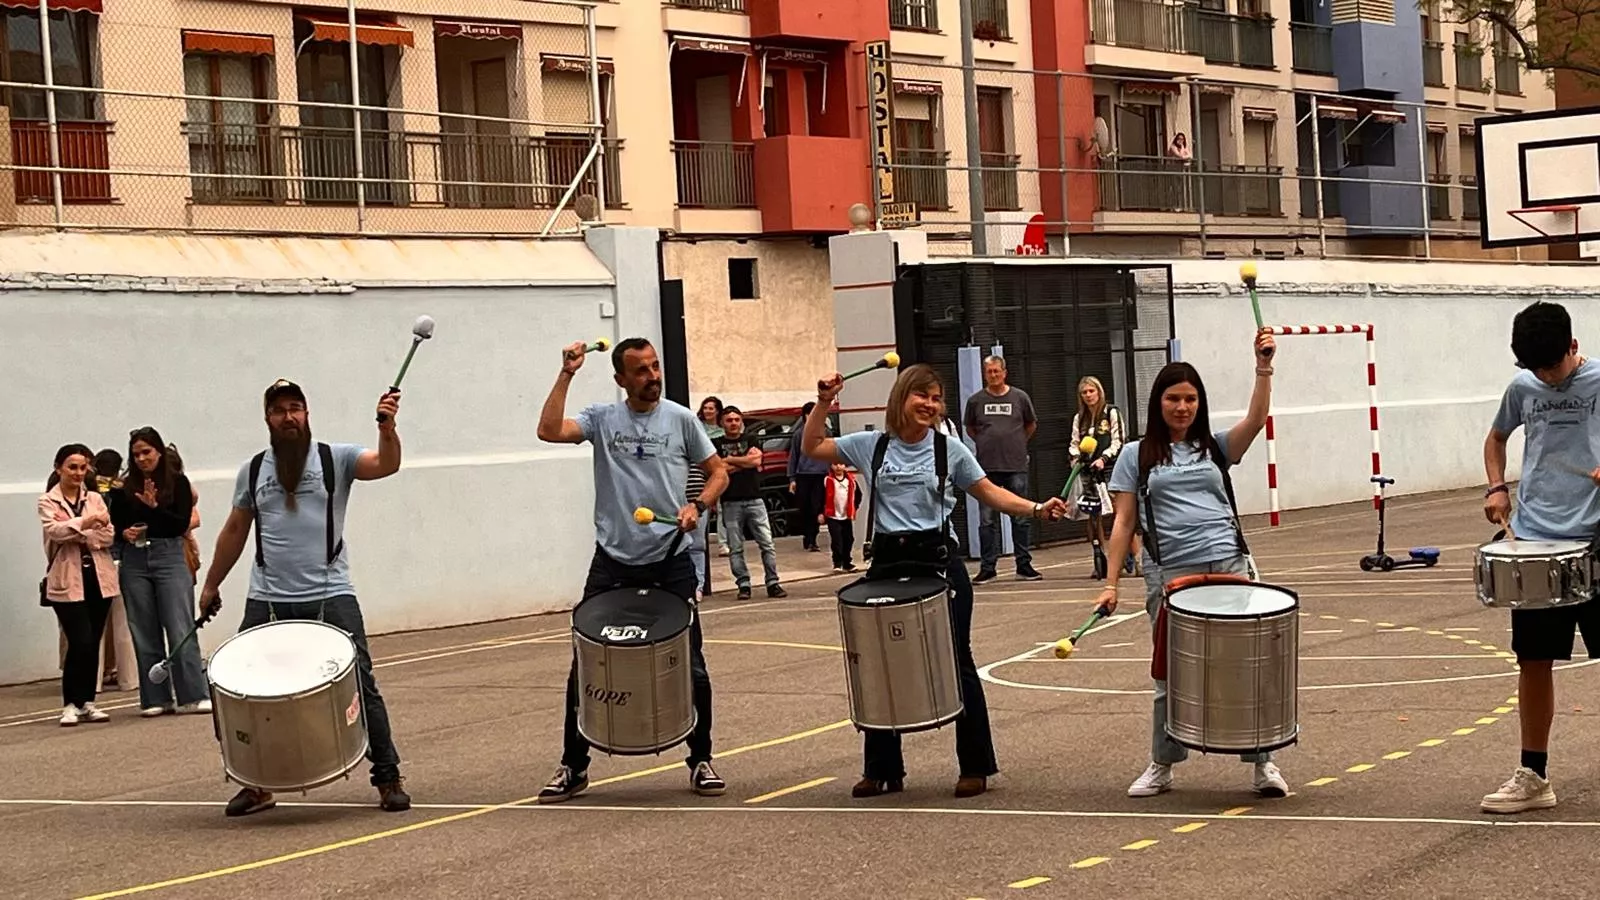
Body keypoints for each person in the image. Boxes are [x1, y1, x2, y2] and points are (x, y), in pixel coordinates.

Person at [803, 363, 1068, 798]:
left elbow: (989, 492)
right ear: (901, 398)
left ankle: (975, 765)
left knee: (957, 660)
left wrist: (1037, 508)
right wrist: (825, 401)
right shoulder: (872, 445)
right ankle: (883, 768)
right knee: (880, 662)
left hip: (939, 561)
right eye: (921, 395)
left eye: (936, 397)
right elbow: (813, 445)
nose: (930, 404)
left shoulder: (950, 451)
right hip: (888, 561)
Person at [197, 380, 411, 817]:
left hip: (331, 594)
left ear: (307, 413)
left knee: (360, 683)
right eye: (279, 410)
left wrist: (387, 429)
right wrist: (211, 584)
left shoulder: (337, 459)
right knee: (235, 690)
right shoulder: (254, 470)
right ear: (268, 419)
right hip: (267, 597)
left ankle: (387, 775)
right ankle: (256, 784)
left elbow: (386, 465)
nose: (289, 416)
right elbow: (235, 530)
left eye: (296, 408)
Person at [535, 337, 731, 803]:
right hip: (613, 563)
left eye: (655, 367)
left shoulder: (682, 419)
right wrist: (567, 373)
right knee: (584, 665)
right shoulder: (602, 419)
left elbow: (719, 470)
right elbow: (547, 430)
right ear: (622, 379)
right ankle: (573, 766)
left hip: (671, 561)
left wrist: (697, 505)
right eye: (641, 371)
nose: (652, 377)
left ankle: (701, 758)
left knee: (693, 667)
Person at [1096, 330, 1285, 799]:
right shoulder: (1135, 456)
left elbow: (1257, 419)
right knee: (1169, 674)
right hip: (1170, 574)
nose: (1182, 408)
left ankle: (1263, 765)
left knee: (1245, 667)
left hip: (1227, 563)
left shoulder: (1216, 447)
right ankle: (1163, 764)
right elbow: (1123, 524)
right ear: (1158, 402)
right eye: (1173, 399)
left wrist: (1262, 367)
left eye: (1191, 399)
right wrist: (1111, 583)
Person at [1481, 300, 1600, 814]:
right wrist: (1496, 488)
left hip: (1596, 538)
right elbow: (1496, 438)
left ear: (1574, 347)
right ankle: (1534, 775)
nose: (1545, 377)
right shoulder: (1523, 387)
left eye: (1552, 367)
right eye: (1536, 370)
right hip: (1535, 542)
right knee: (1532, 661)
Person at [111, 427, 208, 718]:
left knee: (179, 625)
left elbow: (179, 525)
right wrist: (123, 533)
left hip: (169, 555)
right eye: (136, 454)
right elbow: (115, 523)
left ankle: (192, 694)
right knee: (143, 628)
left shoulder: (177, 483)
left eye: (147, 452)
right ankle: (156, 697)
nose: (141, 459)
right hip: (135, 558)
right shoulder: (125, 488)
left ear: (158, 451)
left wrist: (153, 508)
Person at [38, 444, 120, 726]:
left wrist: (80, 530)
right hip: (67, 580)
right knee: (79, 640)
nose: (77, 473)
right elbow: (55, 531)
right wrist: (86, 523)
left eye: (83, 468)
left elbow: (108, 536)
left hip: (97, 578)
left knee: (93, 641)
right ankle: (70, 703)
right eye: (72, 467)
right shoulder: (48, 501)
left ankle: (88, 702)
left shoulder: (95, 498)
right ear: (59, 468)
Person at [963, 355, 1041, 583]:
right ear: (985, 374)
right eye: (989, 372)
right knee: (987, 520)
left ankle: (1024, 565)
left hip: (1015, 465)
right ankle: (988, 567)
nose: (994, 375)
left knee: (1020, 517)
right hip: (986, 469)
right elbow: (970, 428)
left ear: (1004, 372)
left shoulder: (1020, 397)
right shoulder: (976, 401)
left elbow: (1031, 425)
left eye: (997, 371)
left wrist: (1016, 443)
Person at [1070, 376, 1138, 579]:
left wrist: (1104, 458)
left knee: (1121, 513)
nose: (1088, 396)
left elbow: (1119, 440)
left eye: (1092, 391)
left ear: (1099, 392)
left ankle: (1135, 557)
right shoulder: (1079, 418)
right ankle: (1101, 560)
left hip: (1111, 468)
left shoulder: (1111, 412)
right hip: (1088, 471)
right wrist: (1076, 458)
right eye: (1084, 392)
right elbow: (1074, 442)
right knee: (1093, 515)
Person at [715, 406, 787, 600]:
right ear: (722, 423)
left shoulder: (752, 439)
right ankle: (743, 584)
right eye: (729, 420)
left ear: (742, 422)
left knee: (767, 543)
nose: (733, 423)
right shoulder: (716, 443)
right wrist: (743, 460)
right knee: (736, 547)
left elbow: (756, 462)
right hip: (730, 501)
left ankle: (773, 582)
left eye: (737, 420)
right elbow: (718, 468)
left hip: (755, 499)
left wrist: (730, 459)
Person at [788, 402, 832, 554]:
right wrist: (792, 478)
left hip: (821, 474)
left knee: (817, 507)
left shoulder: (826, 432)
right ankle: (808, 537)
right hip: (803, 475)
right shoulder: (799, 434)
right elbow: (793, 456)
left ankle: (813, 538)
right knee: (805, 508)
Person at [822, 461, 861, 573]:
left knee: (849, 539)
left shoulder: (851, 481)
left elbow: (858, 495)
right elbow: (820, 497)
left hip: (846, 516)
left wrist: (854, 508)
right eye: (835, 464)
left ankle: (847, 562)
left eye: (841, 464)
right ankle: (837, 563)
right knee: (837, 540)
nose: (838, 467)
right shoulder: (827, 480)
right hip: (833, 516)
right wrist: (821, 512)